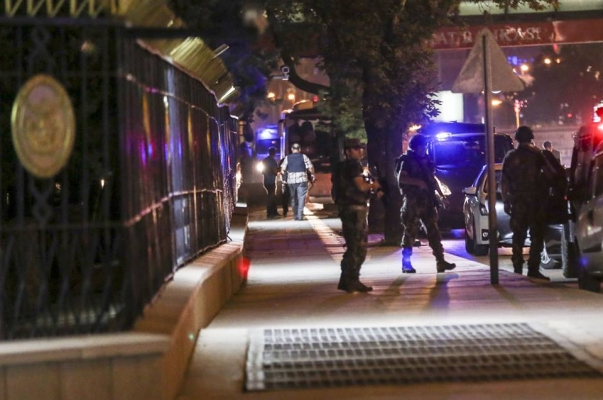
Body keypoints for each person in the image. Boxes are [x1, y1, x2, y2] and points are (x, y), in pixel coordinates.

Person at [395, 134, 456, 274]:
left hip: (427, 201)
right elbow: (401, 179)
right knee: (410, 232)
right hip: (413, 202)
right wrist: (418, 183)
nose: (424, 148)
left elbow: (432, 180)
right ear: (415, 147)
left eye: (425, 146)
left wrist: (441, 196)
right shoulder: (407, 160)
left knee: (434, 232)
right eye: (422, 146)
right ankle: (406, 263)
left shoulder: (426, 160)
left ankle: (440, 261)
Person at [501, 126, 552, 281]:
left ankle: (517, 268)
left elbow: (504, 181)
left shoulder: (510, 157)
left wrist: (506, 201)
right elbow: (550, 174)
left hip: (518, 201)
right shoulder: (537, 154)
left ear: (517, 139)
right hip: (535, 201)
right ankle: (533, 269)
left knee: (518, 235)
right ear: (531, 138)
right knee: (537, 235)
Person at [333, 138, 383, 293]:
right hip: (355, 210)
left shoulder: (340, 167)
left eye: (360, 148)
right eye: (355, 149)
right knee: (358, 247)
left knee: (353, 245)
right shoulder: (353, 165)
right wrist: (374, 185)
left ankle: (346, 279)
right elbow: (360, 186)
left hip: (347, 208)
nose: (360, 151)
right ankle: (352, 280)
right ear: (347, 152)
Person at [280, 143, 315, 221]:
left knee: (293, 198)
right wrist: (313, 175)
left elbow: (282, 170)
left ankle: (295, 215)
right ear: (299, 150)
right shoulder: (304, 156)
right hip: (302, 180)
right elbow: (310, 167)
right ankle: (300, 215)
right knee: (301, 197)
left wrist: (284, 180)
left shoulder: (287, 158)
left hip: (291, 181)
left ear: (292, 149)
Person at [261, 147, 279, 219]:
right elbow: (275, 171)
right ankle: (271, 213)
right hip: (271, 181)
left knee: (270, 196)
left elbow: (263, 171)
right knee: (272, 196)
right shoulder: (273, 161)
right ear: (274, 153)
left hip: (266, 181)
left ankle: (273, 212)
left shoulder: (264, 160)